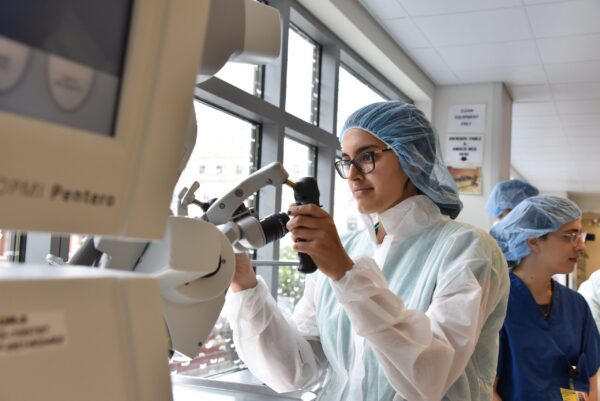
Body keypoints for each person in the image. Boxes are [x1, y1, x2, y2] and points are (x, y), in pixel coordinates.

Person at [225, 100, 509, 401]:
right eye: (347, 161)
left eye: (368, 156)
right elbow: (295, 371)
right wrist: (244, 283)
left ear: (412, 158)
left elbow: (428, 378)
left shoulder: (468, 249)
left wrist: (346, 274)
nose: (353, 175)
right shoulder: (344, 247)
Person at [490, 196, 600, 401]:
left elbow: (589, 383)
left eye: (580, 235)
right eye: (570, 236)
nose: (581, 247)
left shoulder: (576, 306)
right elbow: (487, 388)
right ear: (534, 241)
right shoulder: (497, 303)